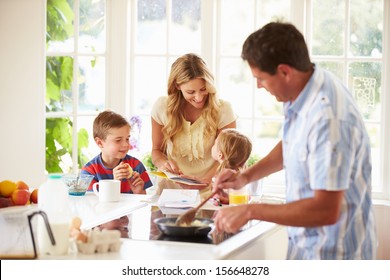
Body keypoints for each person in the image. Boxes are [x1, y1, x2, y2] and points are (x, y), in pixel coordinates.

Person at [213, 22, 377, 260]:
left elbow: (325, 211)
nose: (258, 85)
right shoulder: (306, 86)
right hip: (305, 247)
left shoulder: (329, 118)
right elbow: (293, 143)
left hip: (334, 255)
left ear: (285, 71)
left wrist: (250, 211)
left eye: (261, 78)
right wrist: (244, 177)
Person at [151, 53, 236, 197]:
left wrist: (204, 181)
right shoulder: (162, 107)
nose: (199, 97)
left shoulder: (223, 110)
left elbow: (228, 157)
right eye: (191, 92)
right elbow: (156, 151)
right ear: (177, 85)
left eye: (203, 89)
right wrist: (162, 163)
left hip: (210, 192)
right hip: (169, 193)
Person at [81, 110, 152, 194]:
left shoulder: (136, 165)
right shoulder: (89, 172)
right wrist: (115, 183)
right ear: (100, 143)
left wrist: (139, 192)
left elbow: (144, 202)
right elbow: (94, 203)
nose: (126, 144)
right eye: (118, 140)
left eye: (127, 139)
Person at [211, 128, 252, 204]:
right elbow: (247, 197)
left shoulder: (222, 179)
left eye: (214, 144)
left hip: (227, 213)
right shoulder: (242, 178)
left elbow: (218, 203)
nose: (212, 146)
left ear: (220, 155)